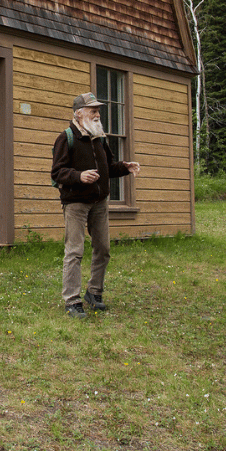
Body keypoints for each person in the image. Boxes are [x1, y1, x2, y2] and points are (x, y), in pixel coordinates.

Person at [51, 92, 140, 318]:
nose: (98, 114)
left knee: (103, 249)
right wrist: (79, 176)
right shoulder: (66, 138)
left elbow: (108, 166)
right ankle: (72, 301)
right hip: (76, 204)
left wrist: (124, 167)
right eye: (93, 110)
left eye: (98, 110)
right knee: (75, 252)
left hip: (99, 202)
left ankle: (94, 293)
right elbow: (57, 172)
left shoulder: (99, 137)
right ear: (79, 114)